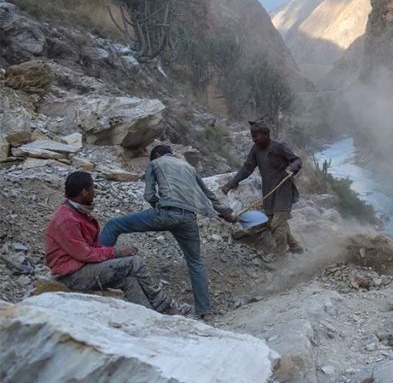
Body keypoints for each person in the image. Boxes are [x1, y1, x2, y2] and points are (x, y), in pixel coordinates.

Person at [99, 145, 236, 320]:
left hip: (166, 213)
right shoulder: (188, 167)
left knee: (114, 225)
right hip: (188, 218)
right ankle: (205, 311)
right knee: (195, 263)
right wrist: (227, 215)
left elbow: (149, 195)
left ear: (156, 154)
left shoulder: (155, 163)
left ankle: (96, 267)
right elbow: (210, 196)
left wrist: (159, 204)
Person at [45, 171, 189, 314]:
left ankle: (149, 314)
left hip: (80, 268)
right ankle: (164, 305)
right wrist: (116, 252)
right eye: (92, 189)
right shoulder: (67, 220)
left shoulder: (76, 213)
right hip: (71, 275)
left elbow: (92, 248)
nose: (94, 193)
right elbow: (85, 254)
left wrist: (114, 255)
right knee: (134, 262)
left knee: (129, 280)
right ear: (84, 192)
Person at [221, 121, 304, 255]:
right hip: (269, 192)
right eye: (252, 136)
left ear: (266, 135)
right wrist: (231, 183)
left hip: (283, 190)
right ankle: (296, 248)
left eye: (257, 136)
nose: (254, 139)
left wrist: (292, 168)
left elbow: (297, 160)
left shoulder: (279, 147)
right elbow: (247, 168)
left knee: (277, 224)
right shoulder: (255, 150)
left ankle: (281, 258)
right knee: (274, 224)